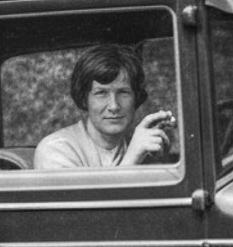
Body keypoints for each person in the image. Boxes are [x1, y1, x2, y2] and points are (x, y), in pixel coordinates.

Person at [33, 44, 175, 170]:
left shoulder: (133, 145)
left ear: (136, 97)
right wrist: (132, 159)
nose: (114, 106)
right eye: (101, 93)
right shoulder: (56, 149)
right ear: (85, 99)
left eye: (123, 92)